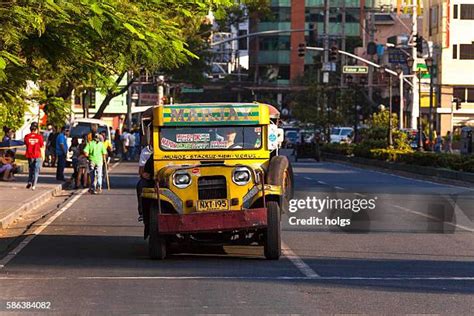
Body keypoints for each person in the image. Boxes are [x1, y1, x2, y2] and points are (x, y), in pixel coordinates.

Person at [24, 122, 44, 190]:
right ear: (36, 130)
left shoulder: (27, 136)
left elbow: (26, 144)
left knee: (31, 169)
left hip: (30, 154)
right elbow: (41, 145)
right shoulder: (39, 137)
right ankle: (34, 185)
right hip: (37, 154)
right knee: (36, 170)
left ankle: (29, 181)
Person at [136, 144, 153, 222]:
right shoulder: (146, 151)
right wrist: (144, 174)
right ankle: (142, 213)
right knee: (140, 186)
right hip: (150, 177)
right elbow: (141, 170)